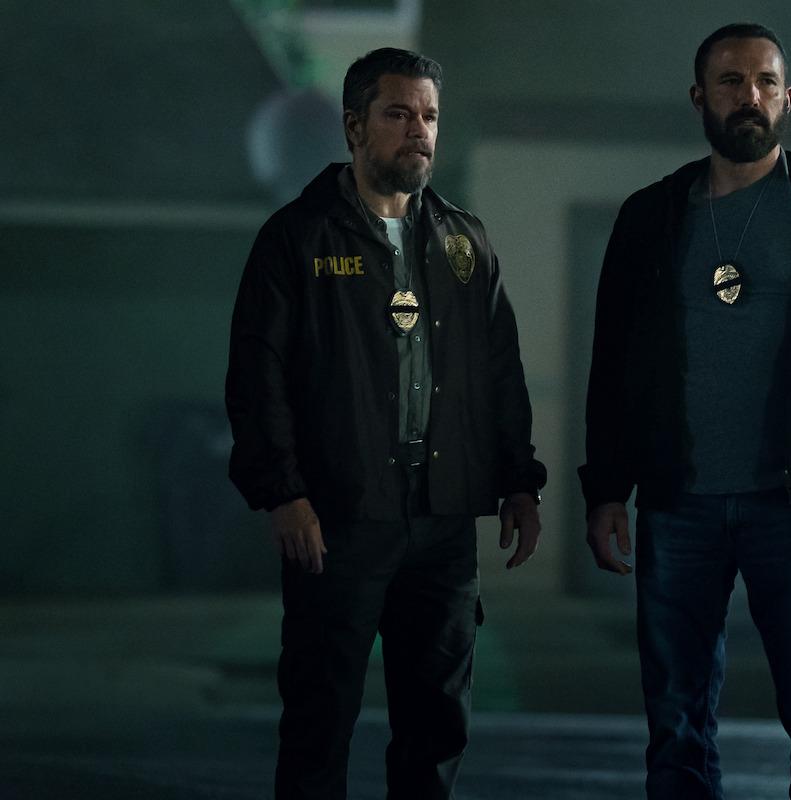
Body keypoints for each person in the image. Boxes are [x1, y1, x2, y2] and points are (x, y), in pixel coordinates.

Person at [579, 23, 791, 800]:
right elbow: (615, 366)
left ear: (789, 99)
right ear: (699, 97)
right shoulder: (650, 217)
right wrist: (605, 486)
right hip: (679, 505)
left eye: (767, 82)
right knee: (675, 724)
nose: (751, 96)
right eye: (732, 81)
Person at [225, 48, 546, 800]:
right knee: (319, 718)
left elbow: (500, 374)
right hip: (338, 518)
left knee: (437, 723)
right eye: (398, 114)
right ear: (354, 127)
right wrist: (284, 493)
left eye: (429, 116)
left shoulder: (465, 243)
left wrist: (520, 484)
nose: (419, 132)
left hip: (441, 523)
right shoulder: (297, 239)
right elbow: (257, 376)